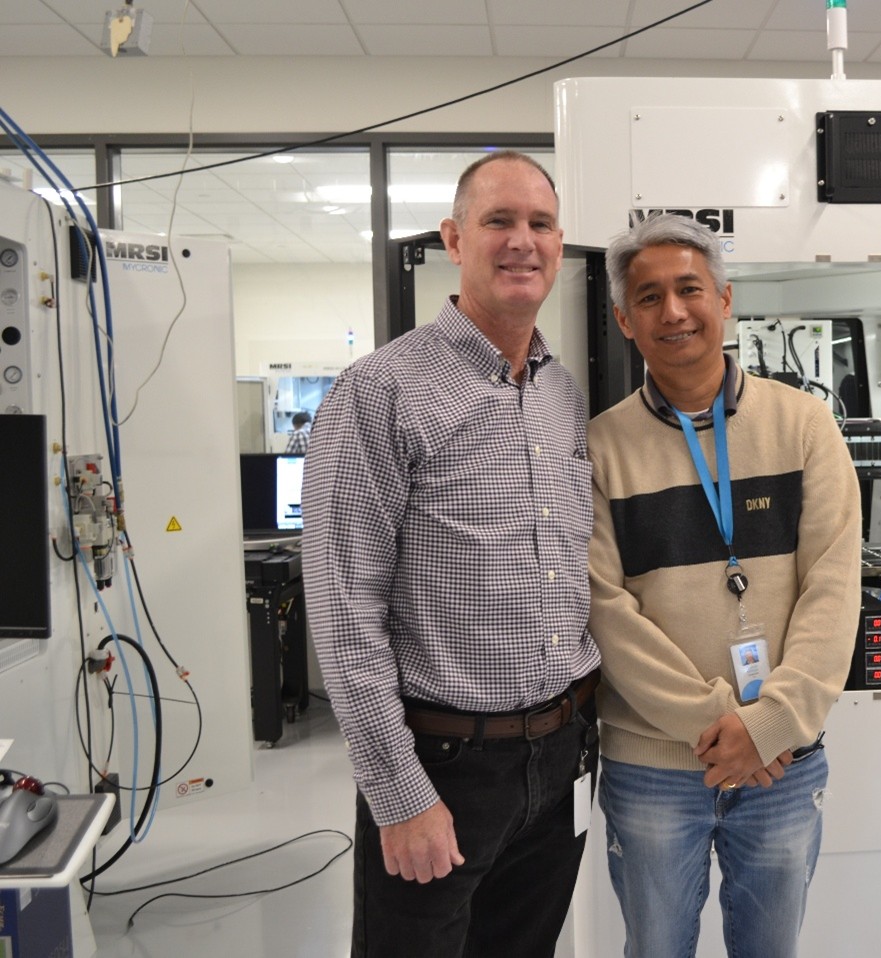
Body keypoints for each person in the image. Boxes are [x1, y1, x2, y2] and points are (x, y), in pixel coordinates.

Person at [301, 151, 600, 958]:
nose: (521, 242)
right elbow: (341, 611)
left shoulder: (561, 393)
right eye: (498, 221)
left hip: (561, 755)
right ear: (454, 239)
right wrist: (398, 794)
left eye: (539, 224)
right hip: (442, 766)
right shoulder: (381, 391)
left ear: (560, 245)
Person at [587, 213, 862, 958]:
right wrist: (721, 725)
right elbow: (605, 612)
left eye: (689, 289)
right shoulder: (601, 447)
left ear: (724, 298)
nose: (673, 312)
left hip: (781, 765)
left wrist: (770, 724)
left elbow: (835, 588)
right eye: (649, 297)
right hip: (652, 768)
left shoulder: (804, 425)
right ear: (623, 318)